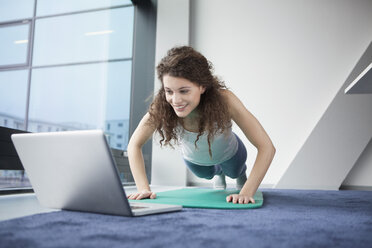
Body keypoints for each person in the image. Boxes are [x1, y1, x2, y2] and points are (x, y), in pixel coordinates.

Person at [127, 46, 275, 204]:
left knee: (234, 171)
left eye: (184, 91)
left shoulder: (226, 100)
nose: (175, 101)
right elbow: (134, 145)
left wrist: (246, 192)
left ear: (202, 86)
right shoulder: (162, 104)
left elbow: (267, 147)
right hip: (195, 158)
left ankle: (240, 175)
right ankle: (218, 173)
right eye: (169, 91)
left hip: (230, 151)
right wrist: (143, 188)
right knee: (207, 175)